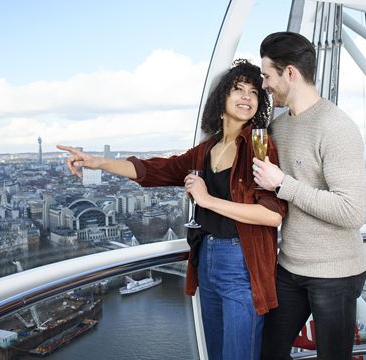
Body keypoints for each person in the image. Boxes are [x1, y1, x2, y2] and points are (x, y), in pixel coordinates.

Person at [57, 59, 287, 360]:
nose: (247, 96)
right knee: (218, 353)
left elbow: (272, 215)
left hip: (242, 262)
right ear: (222, 99)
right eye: (238, 89)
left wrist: (206, 200)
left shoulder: (260, 146)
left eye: (254, 92)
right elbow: (156, 170)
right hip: (206, 259)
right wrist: (99, 162)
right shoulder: (205, 151)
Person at [252, 32, 366, 360]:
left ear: (290, 73)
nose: (263, 86)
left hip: (335, 274)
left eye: (266, 76)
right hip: (289, 266)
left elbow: (352, 210)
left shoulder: (336, 127)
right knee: (268, 353)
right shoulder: (278, 127)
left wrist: (283, 184)